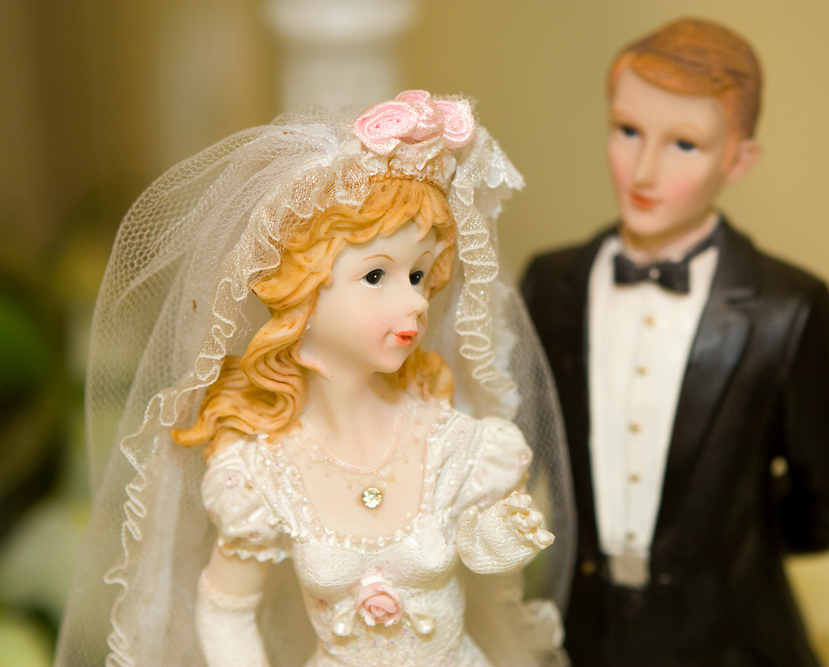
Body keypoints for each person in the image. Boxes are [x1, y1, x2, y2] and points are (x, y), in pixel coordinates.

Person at [55, 93, 573, 667]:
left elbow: (479, 556)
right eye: (377, 274)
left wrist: (500, 538)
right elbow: (226, 611)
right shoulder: (261, 470)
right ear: (302, 288)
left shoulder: (449, 438)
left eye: (421, 274)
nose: (415, 301)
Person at [521, 18, 829, 666]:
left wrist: (737, 540)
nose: (643, 169)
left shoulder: (787, 308)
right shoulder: (552, 284)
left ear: (738, 158)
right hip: (580, 637)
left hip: (733, 642)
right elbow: (521, 443)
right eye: (627, 130)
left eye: (684, 144)